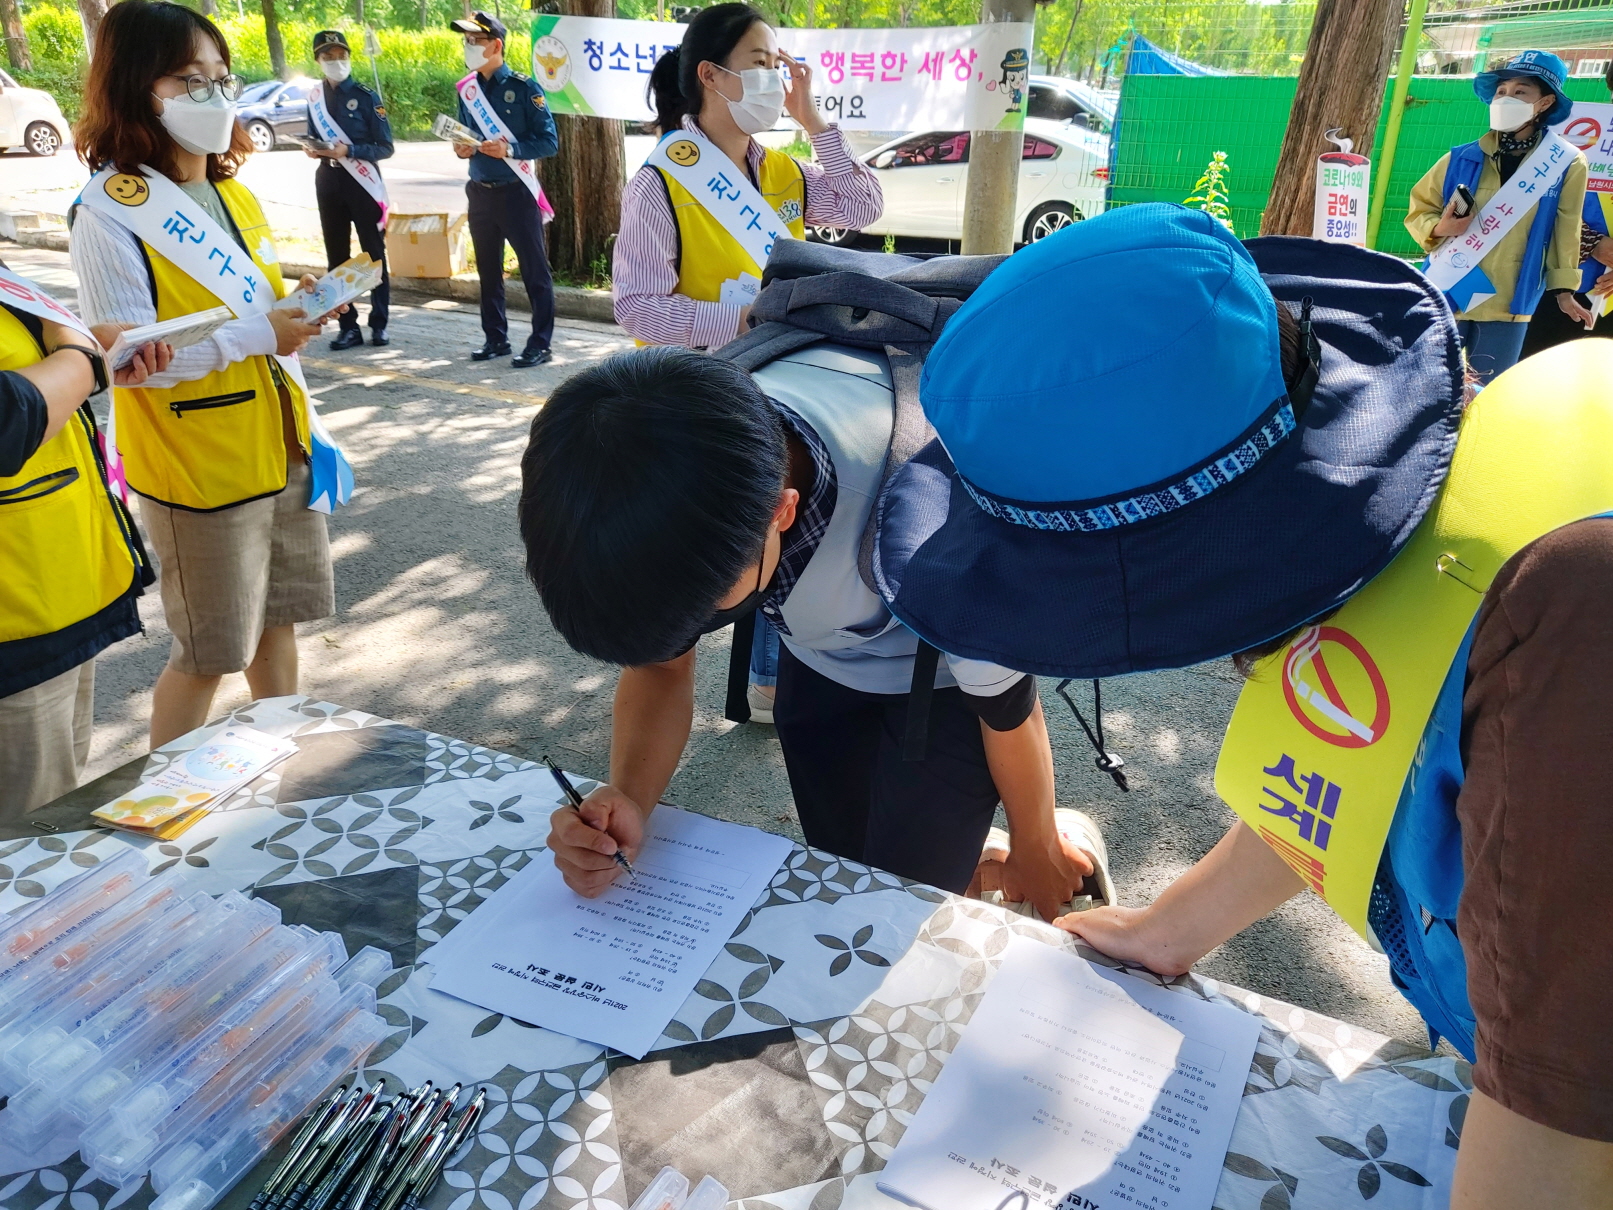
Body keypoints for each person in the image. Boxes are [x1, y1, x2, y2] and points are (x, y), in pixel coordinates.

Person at [868, 202, 1613, 1204]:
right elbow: (1355, 742)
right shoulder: (1476, 484)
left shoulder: (1574, 627)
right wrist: (1168, 928)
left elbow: (1558, 1125)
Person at [520, 346, 1102, 923]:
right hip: (816, 653)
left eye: (705, 606)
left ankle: (1043, 839)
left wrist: (1036, 843)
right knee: (843, 862)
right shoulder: (690, 447)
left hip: (941, 682)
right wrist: (628, 797)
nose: (690, 630)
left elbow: (1007, 708)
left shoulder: (930, 518)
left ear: (781, 511)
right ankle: (963, 850)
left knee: (904, 905)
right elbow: (660, 663)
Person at [69, 0, 343, 750]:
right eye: (191, 80)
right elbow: (129, 359)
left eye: (222, 78)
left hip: (283, 446)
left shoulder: (233, 192)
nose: (215, 96)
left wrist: (295, 314)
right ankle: (161, 795)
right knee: (210, 653)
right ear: (135, 86)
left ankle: (281, 761)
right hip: (197, 468)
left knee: (278, 623)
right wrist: (261, 332)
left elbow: (257, 317)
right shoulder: (109, 211)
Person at [615, 1, 883, 723]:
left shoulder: (784, 172)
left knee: (784, 529)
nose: (775, 76)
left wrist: (815, 121)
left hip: (784, 391)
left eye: (778, 63)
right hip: (698, 396)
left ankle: (768, 680)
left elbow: (863, 205)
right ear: (710, 75)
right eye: (760, 63)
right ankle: (666, 677)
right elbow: (637, 308)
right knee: (697, 559)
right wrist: (740, 318)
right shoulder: (661, 181)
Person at [0, 264, 169, 819]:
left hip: (58, 592)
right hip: (16, 621)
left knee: (55, 809)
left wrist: (88, 352)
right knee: (28, 834)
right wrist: (83, 358)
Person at [1405, 50, 1589, 382]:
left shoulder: (1566, 162)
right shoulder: (1461, 158)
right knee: (1428, 385)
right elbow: (1420, 209)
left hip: (1511, 298)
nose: (1506, 98)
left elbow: (1567, 226)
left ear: (1545, 103)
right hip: (1451, 288)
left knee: (1489, 391)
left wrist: (1564, 289)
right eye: (1502, 91)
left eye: (1520, 92)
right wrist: (1439, 227)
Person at [450, 10, 558, 369]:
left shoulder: (525, 88)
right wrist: (462, 148)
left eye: (475, 41)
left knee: (534, 271)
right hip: (480, 190)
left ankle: (540, 343)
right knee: (488, 271)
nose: (468, 46)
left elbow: (548, 141)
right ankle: (495, 338)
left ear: (496, 46)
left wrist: (510, 150)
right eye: (466, 41)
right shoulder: (467, 90)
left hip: (516, 191)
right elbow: (465, 134)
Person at [305, 29, 394, 350]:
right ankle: (348, 326)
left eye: (341, 55)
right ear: (318, 60)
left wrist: (351, 151)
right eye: (328, 56)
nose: (336, 61)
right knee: (337, 256)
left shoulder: (366, 96)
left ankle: (379, 324)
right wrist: (313, 149)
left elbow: (385, 147)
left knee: (373, 254)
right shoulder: (315, 98)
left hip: (363, 183)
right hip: (329, 181)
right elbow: (313, 134)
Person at [1522, 58, 1613, 358]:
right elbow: (1535, 201)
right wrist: (1592, 242)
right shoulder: (1574, 132)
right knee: (1537, 368)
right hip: (1560, 284)